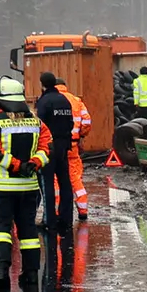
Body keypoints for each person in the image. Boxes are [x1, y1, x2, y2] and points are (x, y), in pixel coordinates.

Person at [0, 75, 50, 292]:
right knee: (28, 231)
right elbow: (46, 148)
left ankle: (2, 270)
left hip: (2, 187)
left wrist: (16, 165)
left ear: (0, 100)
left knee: (1, 229)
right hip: (29, 187)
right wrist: (33, 164)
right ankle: (30, 273)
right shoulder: (36, 122)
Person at [34, 71, 77, 235]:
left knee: (47, 183)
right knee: (65, 182)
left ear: (42, 84)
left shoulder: (44, 101)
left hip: (49, 147)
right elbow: (71, 123)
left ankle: (49, 220)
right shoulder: (64, 100)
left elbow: (40, 125)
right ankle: (66, 219)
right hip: (64, 145)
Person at [65, 85, 92, 220]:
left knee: (56, 180)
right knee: (75, 177)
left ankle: (58, 212)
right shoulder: (76, 101)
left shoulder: (49, 99)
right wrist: (81, 135)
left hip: (55, 146)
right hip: (73, 145)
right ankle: (83, 209)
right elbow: (87, 121)